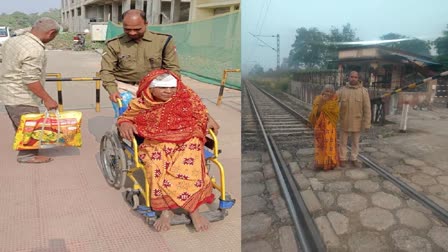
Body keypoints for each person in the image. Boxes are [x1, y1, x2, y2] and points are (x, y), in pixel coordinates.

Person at [117, 69, 214, 232]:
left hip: (187, 138)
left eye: (172, 88)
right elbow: (126, 117)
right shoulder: (140, 103)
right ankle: (166, 212)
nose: (169, 92)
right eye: (163, 88)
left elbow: (201, 113)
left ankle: (194, 210)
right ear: (151, 88)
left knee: (189, 167)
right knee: (156, 167)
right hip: (156, 142)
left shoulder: (185, 98)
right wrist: (124, 123)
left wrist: (209, 119)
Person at [101, 9, 220, 133]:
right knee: (129, 116)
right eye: (127, 29)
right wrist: (112, 90)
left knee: (176, 109)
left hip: (155, 85)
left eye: (137, 29)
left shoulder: (163, 41)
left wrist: (172, 89)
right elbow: (106, 70)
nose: (132, 32)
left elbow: (172, 69)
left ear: (146, 24)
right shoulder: (114, 44)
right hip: (125, 86)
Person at [0, 17, 60, 164]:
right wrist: (47, 99)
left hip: (8, 93)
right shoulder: (35, 50)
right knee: (30, 126)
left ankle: (27, 149)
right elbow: (31, 80)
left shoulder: (13, 41)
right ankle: (27, 155)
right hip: (22, 96)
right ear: (51, 33)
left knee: (22, 124)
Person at [337, 71, 371, 168]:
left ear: (358, 78)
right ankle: (342, 158)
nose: (353, 79)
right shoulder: (342, 90)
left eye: (355, 77)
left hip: (357, 122)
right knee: (343, 142)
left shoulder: (363, 92)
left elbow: (367, 109)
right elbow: (333, 101)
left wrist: (367, 124)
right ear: (348, 77)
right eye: (351, 77)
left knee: (355, 142)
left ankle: (354, 158)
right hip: (344, 121)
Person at [309, 85, 340, 170]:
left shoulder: (334, 101)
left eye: (330, 91)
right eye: (326, 91)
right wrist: (323, 101)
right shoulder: (318, 99)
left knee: (330, 145)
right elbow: (316, 113)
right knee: (320, 145)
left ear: (333, 93)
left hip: (330, 128)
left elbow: (336, 114)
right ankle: (320, 163)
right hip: (320, 127)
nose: (328, 93)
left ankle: (330, 163)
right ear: (323, 91)